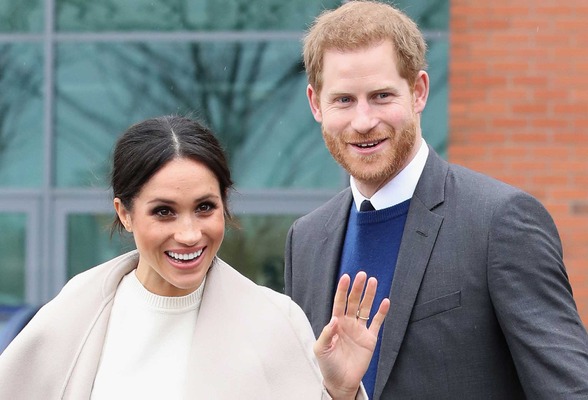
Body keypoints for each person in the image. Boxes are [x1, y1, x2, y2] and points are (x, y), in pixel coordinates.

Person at [284, 1, 588, 399]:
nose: (362, 121)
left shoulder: (499, 222)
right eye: (343, 100)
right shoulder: (305, 241)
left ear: (419, 92)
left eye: (380, 96)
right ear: (314, 103)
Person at [0, 115, 390, 400]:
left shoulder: (277, 322)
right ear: (124, 213)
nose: (189, 234)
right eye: (164, 211)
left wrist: (340, 393)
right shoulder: (70, 318)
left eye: (205, 207)